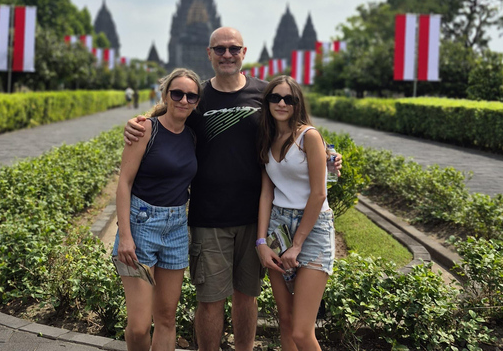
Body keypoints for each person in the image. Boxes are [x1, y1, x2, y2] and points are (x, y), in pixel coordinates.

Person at [125, 27, 341, 351]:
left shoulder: (265, 94)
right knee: (210, 300)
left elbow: (295, 130)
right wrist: (136, 122)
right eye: (220, 49)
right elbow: (167, 116)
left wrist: (330, 156)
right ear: (209, 53)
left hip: (255, 219)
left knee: (247, 296)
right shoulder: (195, 95)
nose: (227, 54)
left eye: (233, 48)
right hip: (208, 217)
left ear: (244, 53)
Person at [114, 68, 202, 351]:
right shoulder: (145, 130)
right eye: (177, 93)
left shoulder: (192, 136)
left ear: (197, 102)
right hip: (141, 225)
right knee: (139, 326)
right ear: (165, 95)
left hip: (176, 228)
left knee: (166, 318)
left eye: (191, 96)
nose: (183, 100)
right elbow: (124, 184)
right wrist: (125, 236)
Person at [255, 75, 335, 351]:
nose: (281, 103)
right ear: (267, 102)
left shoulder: (309, 136)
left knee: (302, 331)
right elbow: (266, 194)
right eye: (275, 97)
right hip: (278, 227)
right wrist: (261, 242)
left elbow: (319, 193)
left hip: (312, 229)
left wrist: (297, 244)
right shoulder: (267, 138)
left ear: (297, 103)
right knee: (286, 321)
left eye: (288, 99)